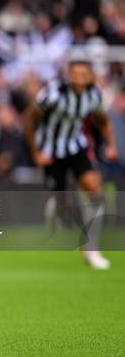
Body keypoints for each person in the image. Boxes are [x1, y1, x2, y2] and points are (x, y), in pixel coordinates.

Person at [24, 56, 118, 270]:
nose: (79, 78)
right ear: (69, 74)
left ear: (90, 76)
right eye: (75, 73)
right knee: (63, 205)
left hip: (76, 148)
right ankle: (56, 208)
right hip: (51, 151)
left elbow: (102, 121)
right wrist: (37, 152)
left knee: (95, 191)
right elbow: (28, 119)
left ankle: (90, 249)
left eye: (84, 74)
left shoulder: (93, 94)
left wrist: (111, 145)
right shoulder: (53, 94)